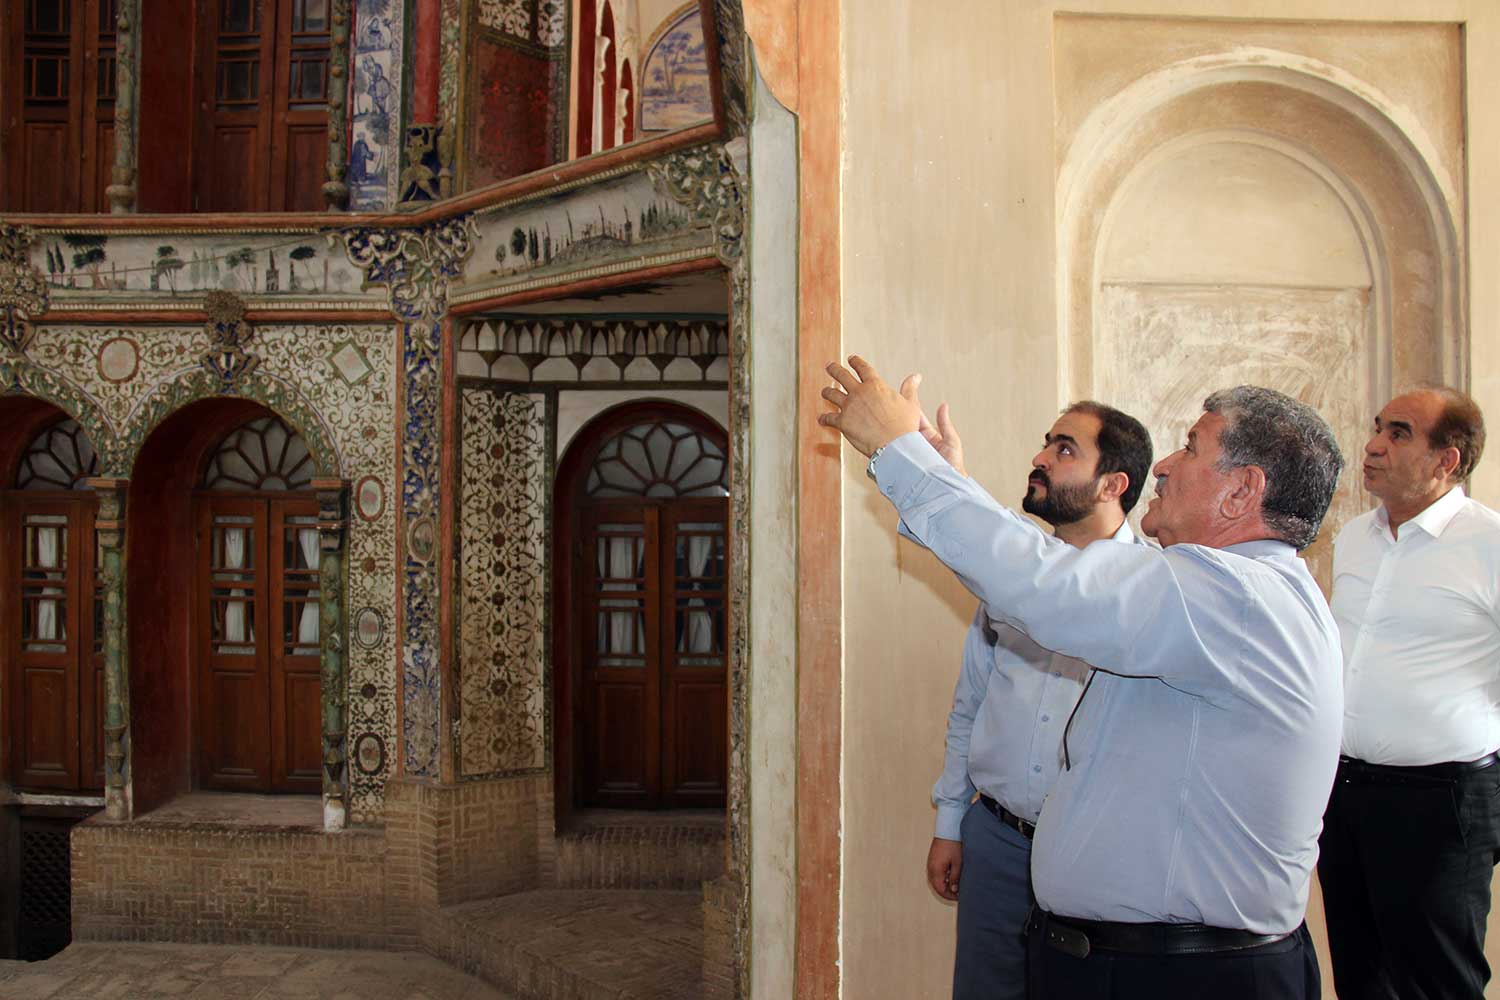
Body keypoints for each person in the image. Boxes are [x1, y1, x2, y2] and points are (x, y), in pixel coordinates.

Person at [818, 358, 1343, 1000]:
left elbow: (1045, 584)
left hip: (1182, 976)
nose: (1164, 467)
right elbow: (1045, 570)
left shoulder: (1233, 596)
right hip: (1154, 964)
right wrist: (946, 482)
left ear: (1241, 491)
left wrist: (899, 451)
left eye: (1190, 448)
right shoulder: (1240, 596)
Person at [926, 399, 1153, 1000]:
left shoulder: (1152, 591)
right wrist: (951, 822)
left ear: (1113, 484)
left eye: (1065, 449)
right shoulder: (1010, 580)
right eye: (1048, 442)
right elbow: (971, 703)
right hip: (995, 842)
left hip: (1093, 855)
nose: (1041, 457)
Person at [1319, 387, 1500, 999]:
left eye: (1398, 433)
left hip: (1441, 802)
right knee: (1361, 977)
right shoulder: (1353, 537)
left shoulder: (1489, 543)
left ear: (1447, 460)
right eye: (1377, 428)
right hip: (1345, 792)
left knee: (1437, 983)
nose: (1373, 445)